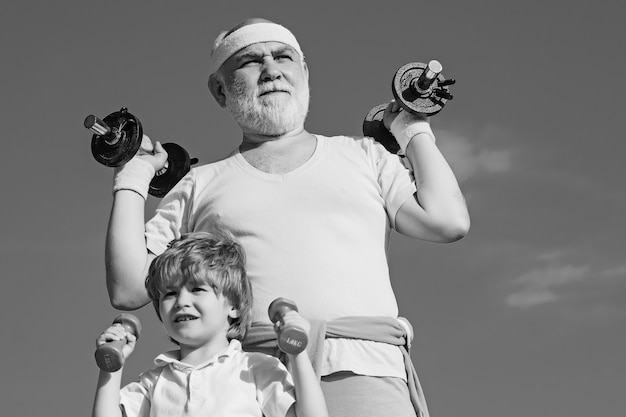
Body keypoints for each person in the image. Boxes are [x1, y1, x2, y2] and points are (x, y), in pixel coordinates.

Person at [104, 18, 470, 417]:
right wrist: (134, 178)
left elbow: (447, 221)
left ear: (304, 71)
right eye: (251, 61)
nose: (272, 70)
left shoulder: (364, 155)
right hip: (246, 387)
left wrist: (410, 127)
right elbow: (128, 289)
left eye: (283, 57)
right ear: (219, 90)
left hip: (363, 373)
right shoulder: (198, 184)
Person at [93, 231, 328, 417]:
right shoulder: (155, 381)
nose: (181, 302)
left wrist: (298, 355)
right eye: (170, 294)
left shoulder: (254, 368)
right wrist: (111, 369)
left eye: (197, 289)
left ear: (233, 305)